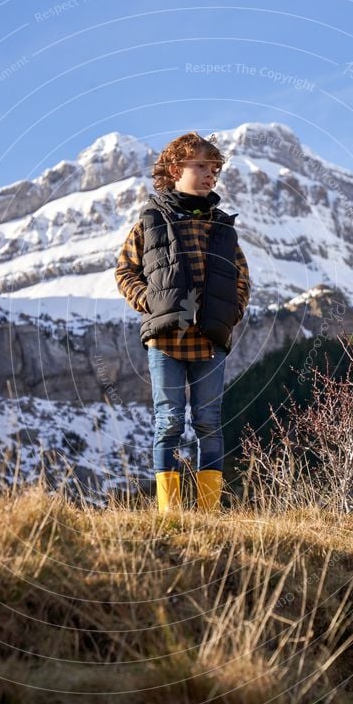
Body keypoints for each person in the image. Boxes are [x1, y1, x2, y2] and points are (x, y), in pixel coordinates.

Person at [115, 131, 250, 512]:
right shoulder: (151, 221)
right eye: (203, 167)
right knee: (169, 421)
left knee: (208, 421)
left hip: (210, 342)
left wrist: (228, 315)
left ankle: (207, 512)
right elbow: (126, 271)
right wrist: (150, 303)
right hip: (165, 341)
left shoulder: (223, 226)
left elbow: (242, 280)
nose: (211, 176)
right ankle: (169, 512)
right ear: (175, 169)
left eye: (216, 170)